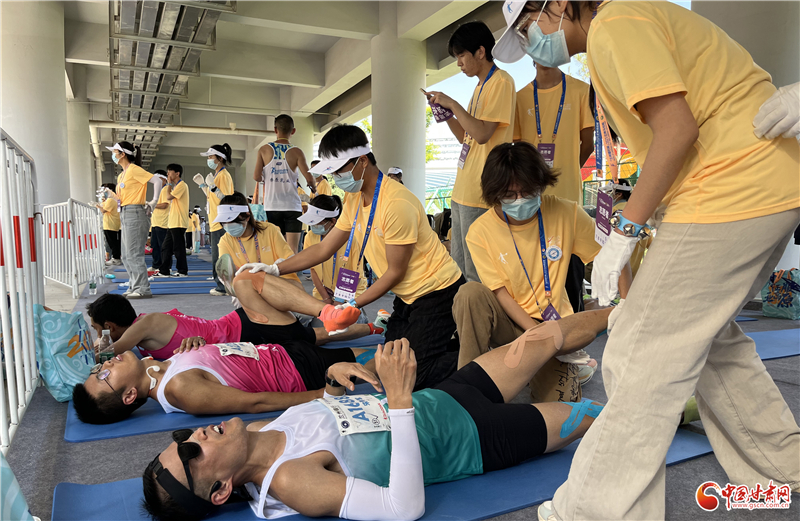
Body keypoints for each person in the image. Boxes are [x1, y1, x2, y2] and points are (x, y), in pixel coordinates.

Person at [492, 2, 800, 519]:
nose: (531, 43)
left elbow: (676, 129)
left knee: (640, 350)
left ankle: (592, 512)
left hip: (730, 188)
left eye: (529, 27)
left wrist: (626, 230)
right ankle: (783, 468)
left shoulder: (614, 24)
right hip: (766, 183)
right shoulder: (627, 23)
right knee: (710, 340)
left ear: (558, 4)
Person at [140, 307, 617, 521]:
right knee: (598, 414)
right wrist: (401, 400)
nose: (196, 436)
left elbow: (329, 414)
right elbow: (402, 508)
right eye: (192, 453)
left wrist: (334, 381)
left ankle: (626, 312)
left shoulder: (261, 430)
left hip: (445, 397)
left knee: (542, 338)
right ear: (221, 491)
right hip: (475, 437)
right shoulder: (290, 482)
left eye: (184, 438)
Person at [249, 125, 465, 391]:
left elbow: (395, 271)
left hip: (437, 291)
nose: (336, 178)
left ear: (362, 161)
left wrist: (351, 304)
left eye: (339, 171)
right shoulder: (355, 197)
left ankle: (477, 358)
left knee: (413, 376)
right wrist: (274, 268)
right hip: (407, 296)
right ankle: (452, 342)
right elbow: (323, 249)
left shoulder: (396, 203)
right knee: (391, 365)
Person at [455, 142, 626, 403]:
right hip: (510, 322)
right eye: (509, 194)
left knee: (563, 409)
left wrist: (627, 305)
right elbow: (500, 293)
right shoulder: (479, 231)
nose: (520, 200)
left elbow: (611, 255)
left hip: (555, 325)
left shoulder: (566, 212)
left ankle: (572, 370)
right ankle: (468, 388)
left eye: (528, 191)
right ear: (494, 193)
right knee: (470, 294)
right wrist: (535, 334)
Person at [425, 21, 516, 282]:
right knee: (461, 268)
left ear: (480, 51)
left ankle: (479, 311)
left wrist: (453, 104)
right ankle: (465, 310)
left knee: (478, 272)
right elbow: (466, 137)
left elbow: (483, 134)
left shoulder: (501, 82)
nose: (459, 63)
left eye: (461, 56)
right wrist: (446, 114)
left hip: (481, 192)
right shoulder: (480, 87)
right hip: (463, 190)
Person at [514, 61, 594, 314]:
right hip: (530, 200)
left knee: (571, 269)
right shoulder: (520, 97)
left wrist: (565, 171)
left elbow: (588, 142)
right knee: (536, 270)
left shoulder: (581, 90)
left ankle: (575, 325)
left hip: (568, 197)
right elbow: (517, 149)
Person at [107, 142, 163, 299]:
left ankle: (143, 288)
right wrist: (112, 196)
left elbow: (157, 181)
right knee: (126, 255)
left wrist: (154, 201)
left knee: (134, 253)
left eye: (115, 152)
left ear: (123, 154)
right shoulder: (122, 174)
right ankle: (134, 285)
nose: (113, 155)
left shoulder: (134, 169)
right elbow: (122, 199)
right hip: (125, 212)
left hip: (135, 212)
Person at [253, 114, 317, 253]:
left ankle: (278, 268)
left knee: (276, 249)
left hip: (272, 206)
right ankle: (293, 268)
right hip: (292, 206)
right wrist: (314, 188)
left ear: (275, 130)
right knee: (292, 249)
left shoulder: (264, 150)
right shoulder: (297, 152)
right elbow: (310, 179)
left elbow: (257, 177)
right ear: (293, 131)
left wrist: (268, 176)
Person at [214, 192, 303, 289]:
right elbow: (225, 271)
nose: (228, 226)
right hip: (251, 287)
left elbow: (290, 261)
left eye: (233, 222)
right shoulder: (225, 241)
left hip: (282, 283)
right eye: (224, 223)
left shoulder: (270, 230)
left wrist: (274, 268)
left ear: (247, 217)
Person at [300, 195, 367, 306]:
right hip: (323, 291)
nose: (313, 226)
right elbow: (313, 270)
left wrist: (339, 301)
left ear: (332, 221)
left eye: (317, 223)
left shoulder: (351, 238)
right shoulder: (310, 237)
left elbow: (354, 273)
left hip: (350, 291)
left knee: (342, 315)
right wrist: (326, 297)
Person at [195, 143, 235, 296]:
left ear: (220, 158)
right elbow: (212, 197)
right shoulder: (217, 176)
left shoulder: (223, 175)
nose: (209, 160)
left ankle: (223, 286)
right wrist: (203, 186)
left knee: (220, 257)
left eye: (211, 157)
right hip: (215, 221)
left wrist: (213, 187)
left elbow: (226, 198)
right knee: (218, 256)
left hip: (221, 221)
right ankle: (222, 284)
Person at [157, 164, 190, 278]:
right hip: (172, 222)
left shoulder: (182, 185)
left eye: (169, 172)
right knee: (166, 247)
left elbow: (169, 197)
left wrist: (168, 185)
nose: (168, 174)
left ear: (177, 173)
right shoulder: (176, 186)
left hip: (179, 222)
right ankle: (164, 271)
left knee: (178, 248)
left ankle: (182, 271)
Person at [149, 170, 170, 273]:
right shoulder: (159, 190)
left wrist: (152, 205)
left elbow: (165, 205)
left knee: (163, 246)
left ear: (163, 179)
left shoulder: (166, 189)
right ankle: (156, 265)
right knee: (155, 246)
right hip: (156, 222)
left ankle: (164, 267)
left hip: (163, 223)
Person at [98, 183, 122, 266]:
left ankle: (116, 258)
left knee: (112, 243)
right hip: (115, 223)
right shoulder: (117, 199)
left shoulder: (111, 200)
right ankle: (116, 257)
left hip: (110, 224)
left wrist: (97, 205)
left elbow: (103, 210)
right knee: (115, 242)